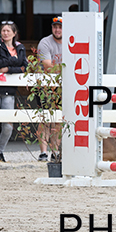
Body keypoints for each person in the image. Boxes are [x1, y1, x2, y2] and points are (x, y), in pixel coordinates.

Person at [0, 21, 28, 162]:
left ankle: (0, 151)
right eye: (3, 30)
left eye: (8, 30)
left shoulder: (20, 47)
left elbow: (24, 67)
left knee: (8, 125)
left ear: (14, 33)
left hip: (10, 89)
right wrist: (14, 60)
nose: (6, 33)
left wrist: (8, 68)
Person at [36, 16, 63, 161]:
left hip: (62, 87)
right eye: (55, 27)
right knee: (45, 119)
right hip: (46, 86)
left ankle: (55, 151)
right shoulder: (45, 42)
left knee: (58, 120)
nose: (57, 30)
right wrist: (65, 68)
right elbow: (47, 66)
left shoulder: (70, 42)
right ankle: (43, 152)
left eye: (60, 27)